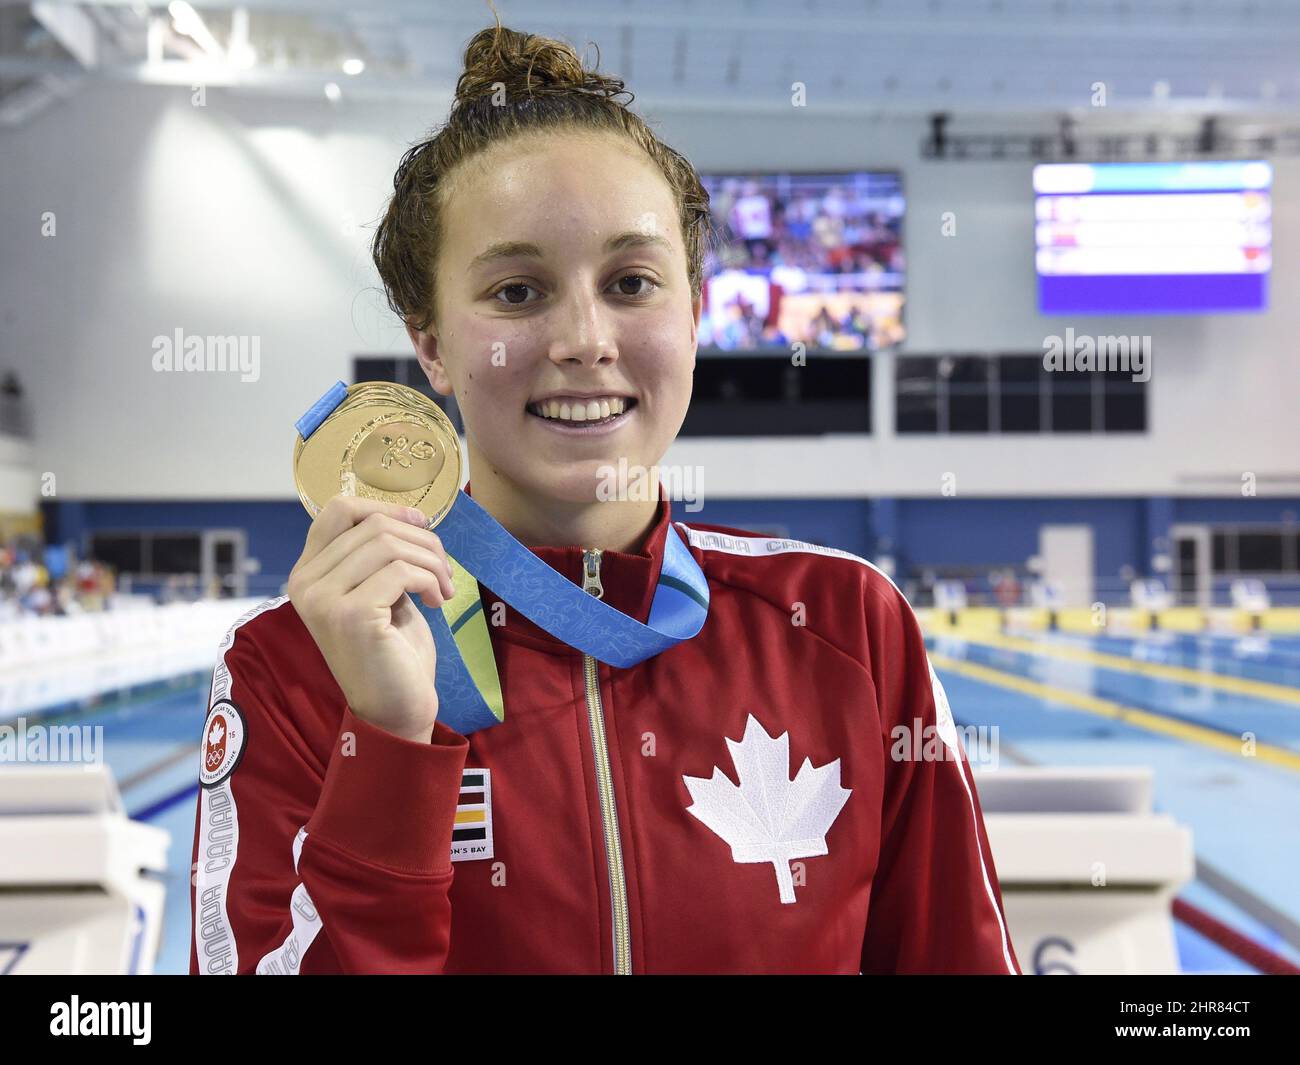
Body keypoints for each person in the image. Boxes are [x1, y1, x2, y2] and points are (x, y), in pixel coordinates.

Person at [189, 15, 1018, 976]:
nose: (585, 338)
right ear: (431, 344)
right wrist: (385, 740)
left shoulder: (845, 627)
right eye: (516, 292)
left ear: (697, 314)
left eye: (631, 281)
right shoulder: (293, 666)